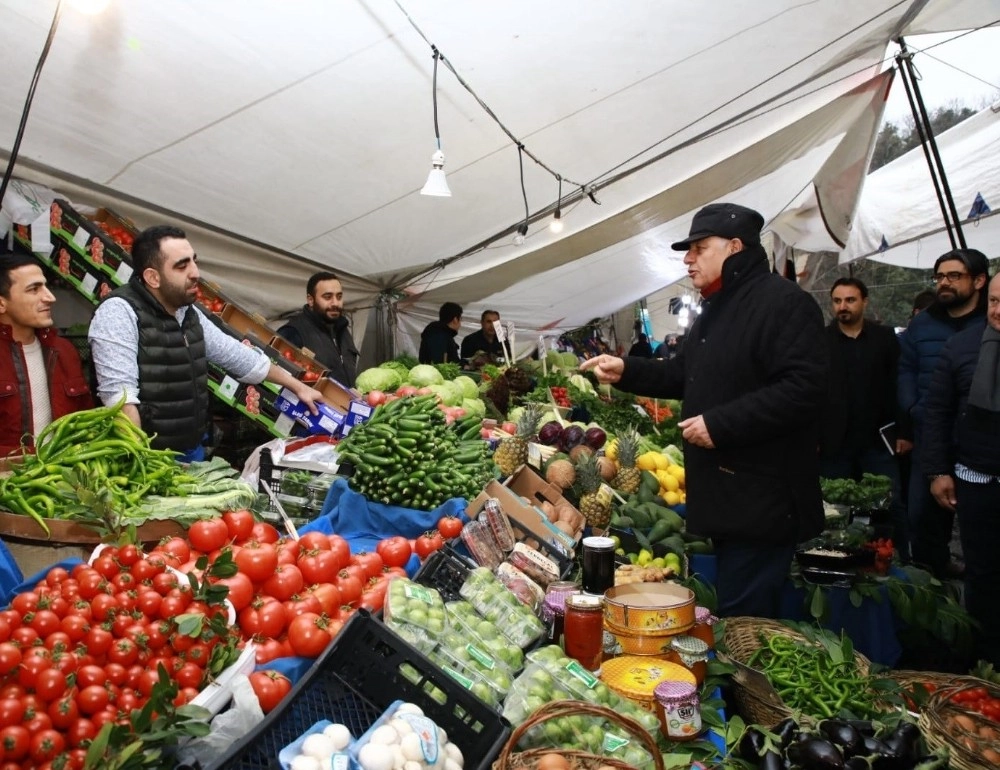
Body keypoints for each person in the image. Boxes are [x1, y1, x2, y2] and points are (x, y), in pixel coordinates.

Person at [581, 202, 827, 618]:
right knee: (736, 607)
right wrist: (625, 369)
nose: (687, 259)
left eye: (698, 248)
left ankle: (747, 680)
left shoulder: (783, 304)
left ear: (733, 247)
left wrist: (720, 424)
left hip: (763, 498)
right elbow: (683, 375)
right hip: (728, 497)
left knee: (747, 616)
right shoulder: (716, 309)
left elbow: (804, 389)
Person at [88, 225, 323, 460]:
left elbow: (238, 356)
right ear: (152, 277)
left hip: (190, 448)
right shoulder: (119, 312)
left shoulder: (188, 313)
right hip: (150, 455)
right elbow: (120, 398)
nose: (195, 273)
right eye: (182, 265)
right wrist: (142, 464)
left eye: (194, 261)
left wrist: (298, 386)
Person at [922, 272, 1000, 665]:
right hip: (977, 478)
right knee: (982, 572)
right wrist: (938, 471)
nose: (998, 311)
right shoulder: (963, 346)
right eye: (994, 302)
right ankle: (985, 659)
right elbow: (937, 413)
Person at [898, 248, 989, 577]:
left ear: (978, 280)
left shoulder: (989, 324)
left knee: (980, 529)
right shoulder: (923, 324)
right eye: (939, 277)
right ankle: (931, 593)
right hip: (930, 437)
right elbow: (905, 369)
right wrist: (912, 406)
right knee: (923, 521)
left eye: (954, 276)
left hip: (978, 443)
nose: (944, 283)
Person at [820, 277, 908, 550]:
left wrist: (904, 432)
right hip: (835, 443)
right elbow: (812, 391)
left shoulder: (884, 339)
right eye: (837, 301)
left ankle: (897, 560)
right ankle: (834, 559)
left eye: (850, 300)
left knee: (889, 505)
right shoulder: (821, 341)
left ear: (864, 302)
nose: (843, 306)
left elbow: (899, 385)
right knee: (833, 509)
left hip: (878, 440)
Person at [0, 253, 93, 456]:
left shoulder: (65, 352)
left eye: (45, 286)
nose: (50, 297)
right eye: (34, 289)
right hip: (10, 481)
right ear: (1, 304)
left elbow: (84, 423)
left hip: (62, 477)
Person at [276, 271, 359, 387]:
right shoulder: (293, 332)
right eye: (328, 297)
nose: (335, 303)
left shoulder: (342, 328)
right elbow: (276, 379)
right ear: (310, 300)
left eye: (339, 297)